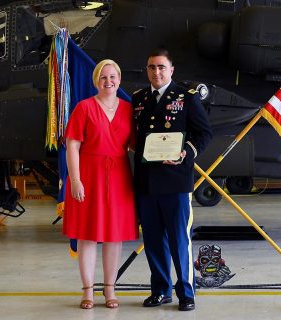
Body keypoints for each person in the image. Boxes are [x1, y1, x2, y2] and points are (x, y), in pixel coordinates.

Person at [132, 48, 212, 311]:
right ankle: (160, 290)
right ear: (147, 70)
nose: (156, 72)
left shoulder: (186, 97)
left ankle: (186, 293)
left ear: (171, 70)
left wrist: (185, 152)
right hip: (146, 183)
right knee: (153, 240)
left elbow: (204, 134)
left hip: (176, 182)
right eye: (152, 67)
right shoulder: (139, 98)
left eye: (161, 67)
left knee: (179, 240)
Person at [63, 59, 139, 309]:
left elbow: (134, 145)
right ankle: (87, 290)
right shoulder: (84, 108)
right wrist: (75, 180)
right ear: (96, 81)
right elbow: (72, 145)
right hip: (89, 175)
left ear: (119, 79)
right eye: (103, 77)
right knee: (87, 235)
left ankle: (110, 289)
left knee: (113, 236)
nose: (108, 81)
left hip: (118, 176)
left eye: (112, 76)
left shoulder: (129, 109)